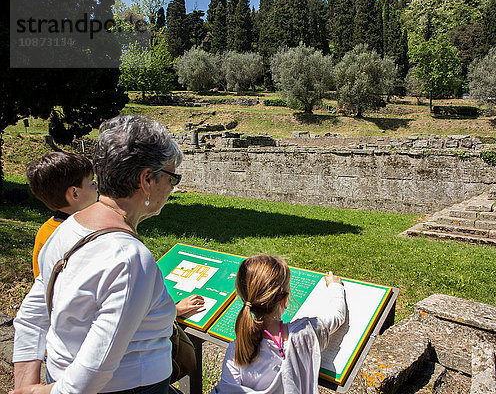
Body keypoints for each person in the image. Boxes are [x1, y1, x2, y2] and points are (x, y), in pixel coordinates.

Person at [11, 115, 203, 394]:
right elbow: (95, 368)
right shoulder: (128, 258)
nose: (173, 188)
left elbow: (33, 313)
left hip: (61, 372)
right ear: (147, 180)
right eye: (172, 178)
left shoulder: (66, 229)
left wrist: (26, 383)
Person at [211, 255, 347, 394]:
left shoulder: (236, 349)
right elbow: (337, 316)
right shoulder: (306, 332)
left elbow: (227, 389)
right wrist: (335, 286)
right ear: (285, 299)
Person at [25, 152, 98, 279]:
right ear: (75, 193)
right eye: (92, 183)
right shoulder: (79, 235)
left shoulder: (46, 231)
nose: (96, 187)